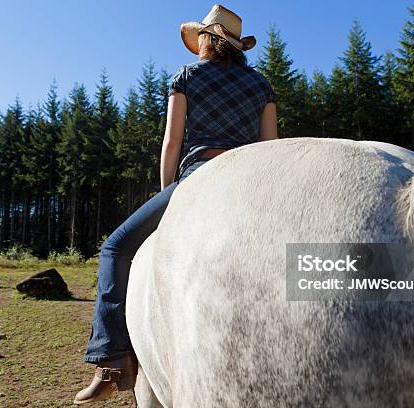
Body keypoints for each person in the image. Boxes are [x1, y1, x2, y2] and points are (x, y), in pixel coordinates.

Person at [73, 4, 278, 404]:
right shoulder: (261, 85)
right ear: (234, 44)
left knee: (115, 246)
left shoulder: (186, 77)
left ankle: (111, 361)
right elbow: (271, 149)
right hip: (255, 178)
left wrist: (170, 195)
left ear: (208, 40)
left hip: (199, 174)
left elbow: (171, 143)